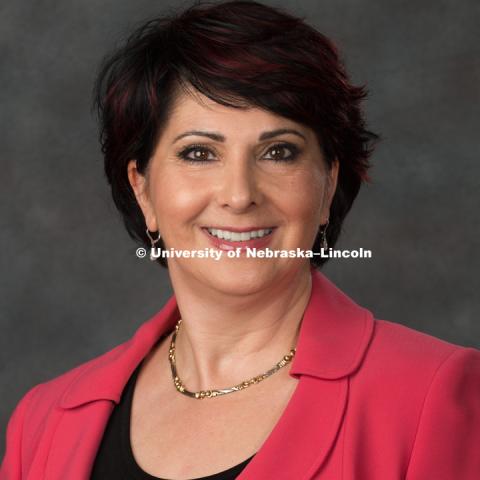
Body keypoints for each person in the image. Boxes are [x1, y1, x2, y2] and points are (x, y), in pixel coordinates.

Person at [1, 1, 479, 479]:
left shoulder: (432, 396)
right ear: (142, 188)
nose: (239, 194)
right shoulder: (43, 421)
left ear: (328, 182)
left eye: (278, 152)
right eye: (199, 153)